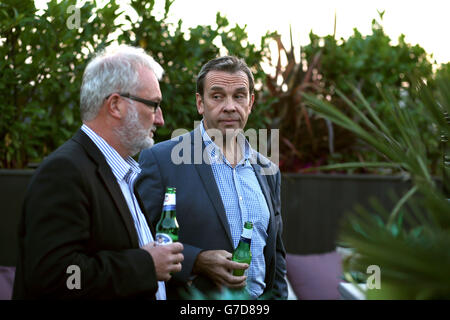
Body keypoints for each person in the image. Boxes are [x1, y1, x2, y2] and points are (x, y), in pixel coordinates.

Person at [13, 45, 184, 299]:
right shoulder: (64, 172)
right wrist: (145, 265)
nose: (160, 119)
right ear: (116, 105)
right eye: (153, 105)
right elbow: (54, 275)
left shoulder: (122, 173)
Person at [136, 56, 288, 299]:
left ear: (250, 103)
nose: (229, 106)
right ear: (200, 103)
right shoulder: (161, 161)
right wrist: (196, 261)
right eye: (217, 96)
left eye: (239, 96)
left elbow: (276, 253)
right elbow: (137, 239)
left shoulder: (268, 170)